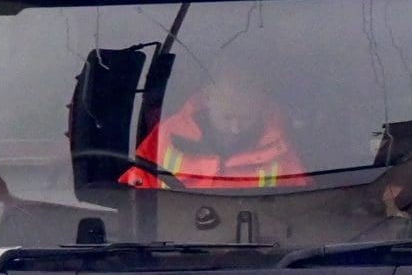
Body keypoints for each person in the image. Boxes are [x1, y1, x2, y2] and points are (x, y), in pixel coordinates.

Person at [122, 63, 305, 190]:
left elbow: (306, 209)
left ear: (261, 108)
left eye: (245, 119)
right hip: (170, 244)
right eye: (226, 118)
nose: (235, 128)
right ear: (207, 100)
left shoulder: (280, 151)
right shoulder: (165, 138)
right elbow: (133, 202)